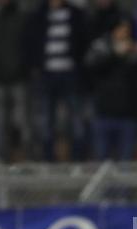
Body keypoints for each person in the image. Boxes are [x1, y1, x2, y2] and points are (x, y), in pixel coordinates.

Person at [27, 0, 89, 161]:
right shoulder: (39, 14)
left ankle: (78, 158)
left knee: (76, 118)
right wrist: (36, 66)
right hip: (47, 75)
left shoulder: (76, 14)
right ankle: (48, 158)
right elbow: (32, 42)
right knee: (46, 119)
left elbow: (83, 43)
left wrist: (79, 67)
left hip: (71, 74)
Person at [86, 18, 137, 160]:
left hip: (128, 114)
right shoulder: (101, 46)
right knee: (102, 159)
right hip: (104, 113)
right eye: (121, 30)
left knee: (126, 160)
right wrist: (115, 53)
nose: (124, 34)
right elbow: (91, 66)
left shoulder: (135, 50)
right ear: (113, 31)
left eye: (127, 31)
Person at [0, 0, 31, 161]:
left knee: (22, 120)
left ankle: (27, 156)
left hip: (19, 78)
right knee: (0, 122)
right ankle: (4, 157)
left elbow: (27, 46)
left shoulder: (22, 17)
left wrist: (22, 68)